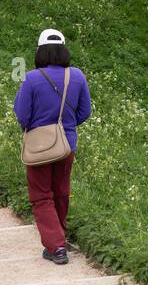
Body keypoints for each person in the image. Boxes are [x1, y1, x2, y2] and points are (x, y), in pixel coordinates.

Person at [14, 28, 91, 265]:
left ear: (40, 51)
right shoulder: (77, 76)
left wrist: (38, 128)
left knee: (41, 196)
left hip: (39, 146)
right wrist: (65, 127)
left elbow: (22, 114)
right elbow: (84, 112)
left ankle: (56, 246)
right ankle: (60, 236)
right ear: (63, 49)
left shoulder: (31, 78)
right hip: (67, 144)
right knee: (61, 191)